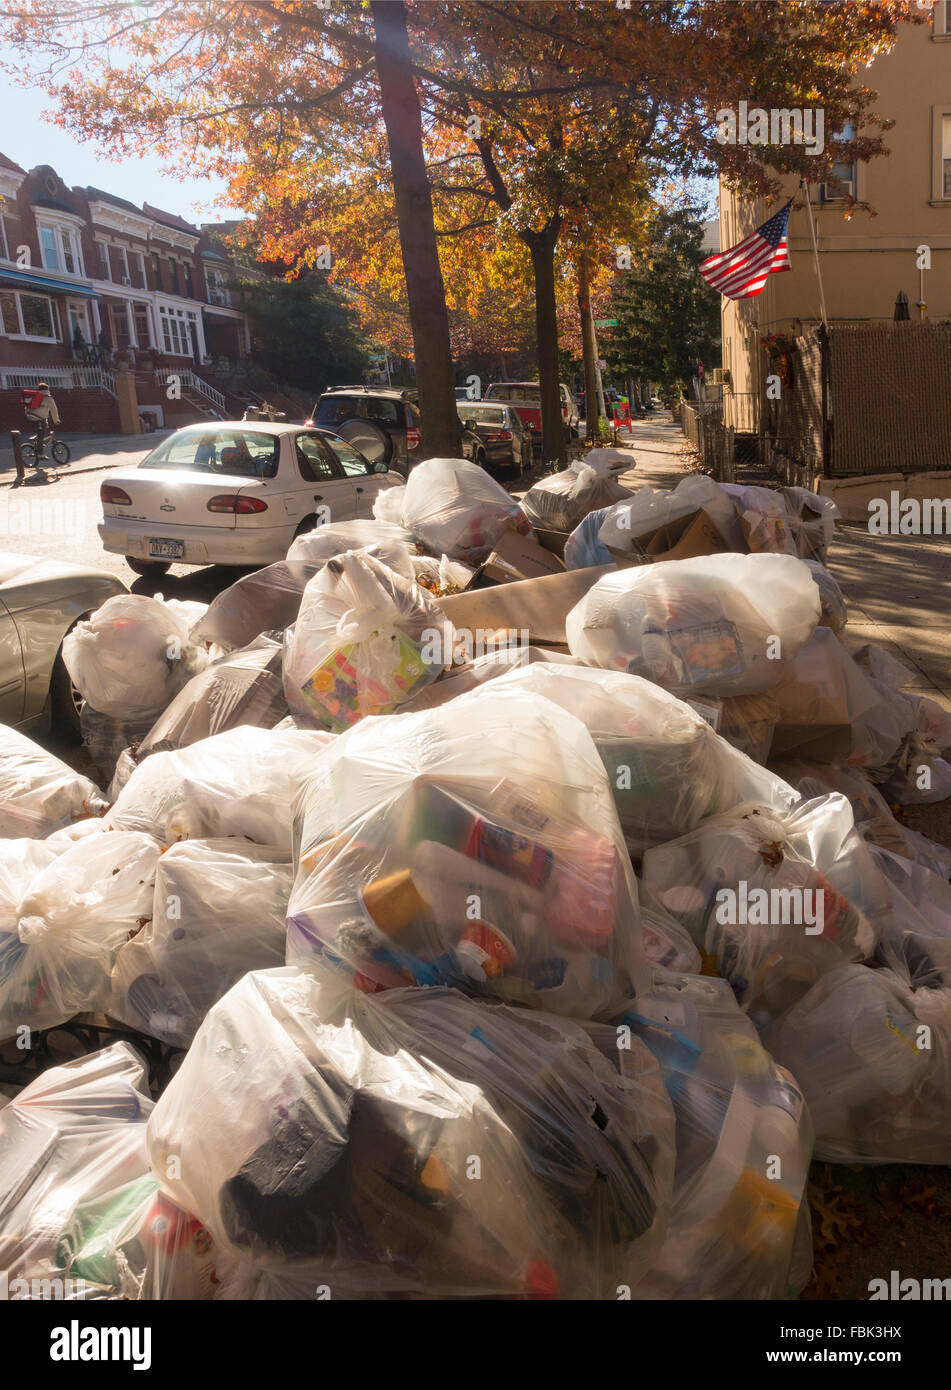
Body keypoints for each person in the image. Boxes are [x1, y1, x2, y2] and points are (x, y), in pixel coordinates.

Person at [21, 383, 60, 461]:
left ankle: (38, 444)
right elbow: (54, 410)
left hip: (29, 416)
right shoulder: (48, 397)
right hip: (39, 418)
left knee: (42, 430)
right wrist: (56, 421)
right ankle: (40, 454)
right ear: (48, 389)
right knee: (41, 434)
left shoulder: (34, 395)